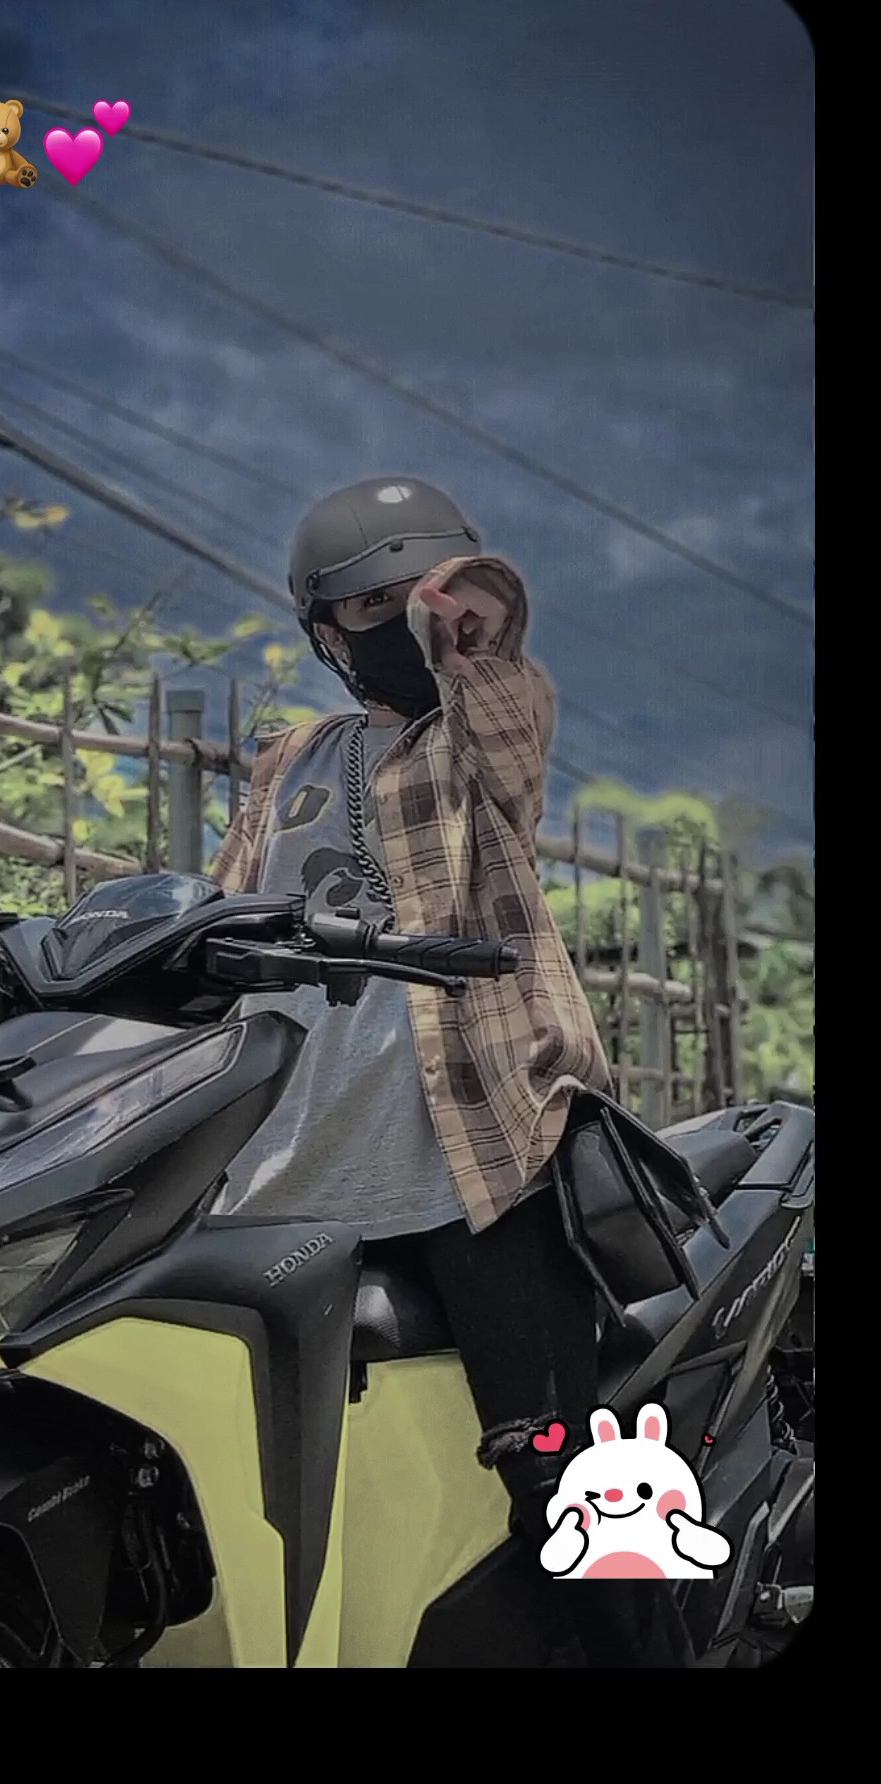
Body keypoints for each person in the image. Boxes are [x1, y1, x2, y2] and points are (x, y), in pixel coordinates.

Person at [211, 476, 695, 1669]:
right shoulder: (287, 763)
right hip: (287, 1180)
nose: (405, 623)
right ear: (324, 632)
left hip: (475, 1166)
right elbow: (219, 918)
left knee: (571, 1491)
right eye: (371, 604)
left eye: (418, 597)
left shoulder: (474, 746)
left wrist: (473, 632)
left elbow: (508, 726)